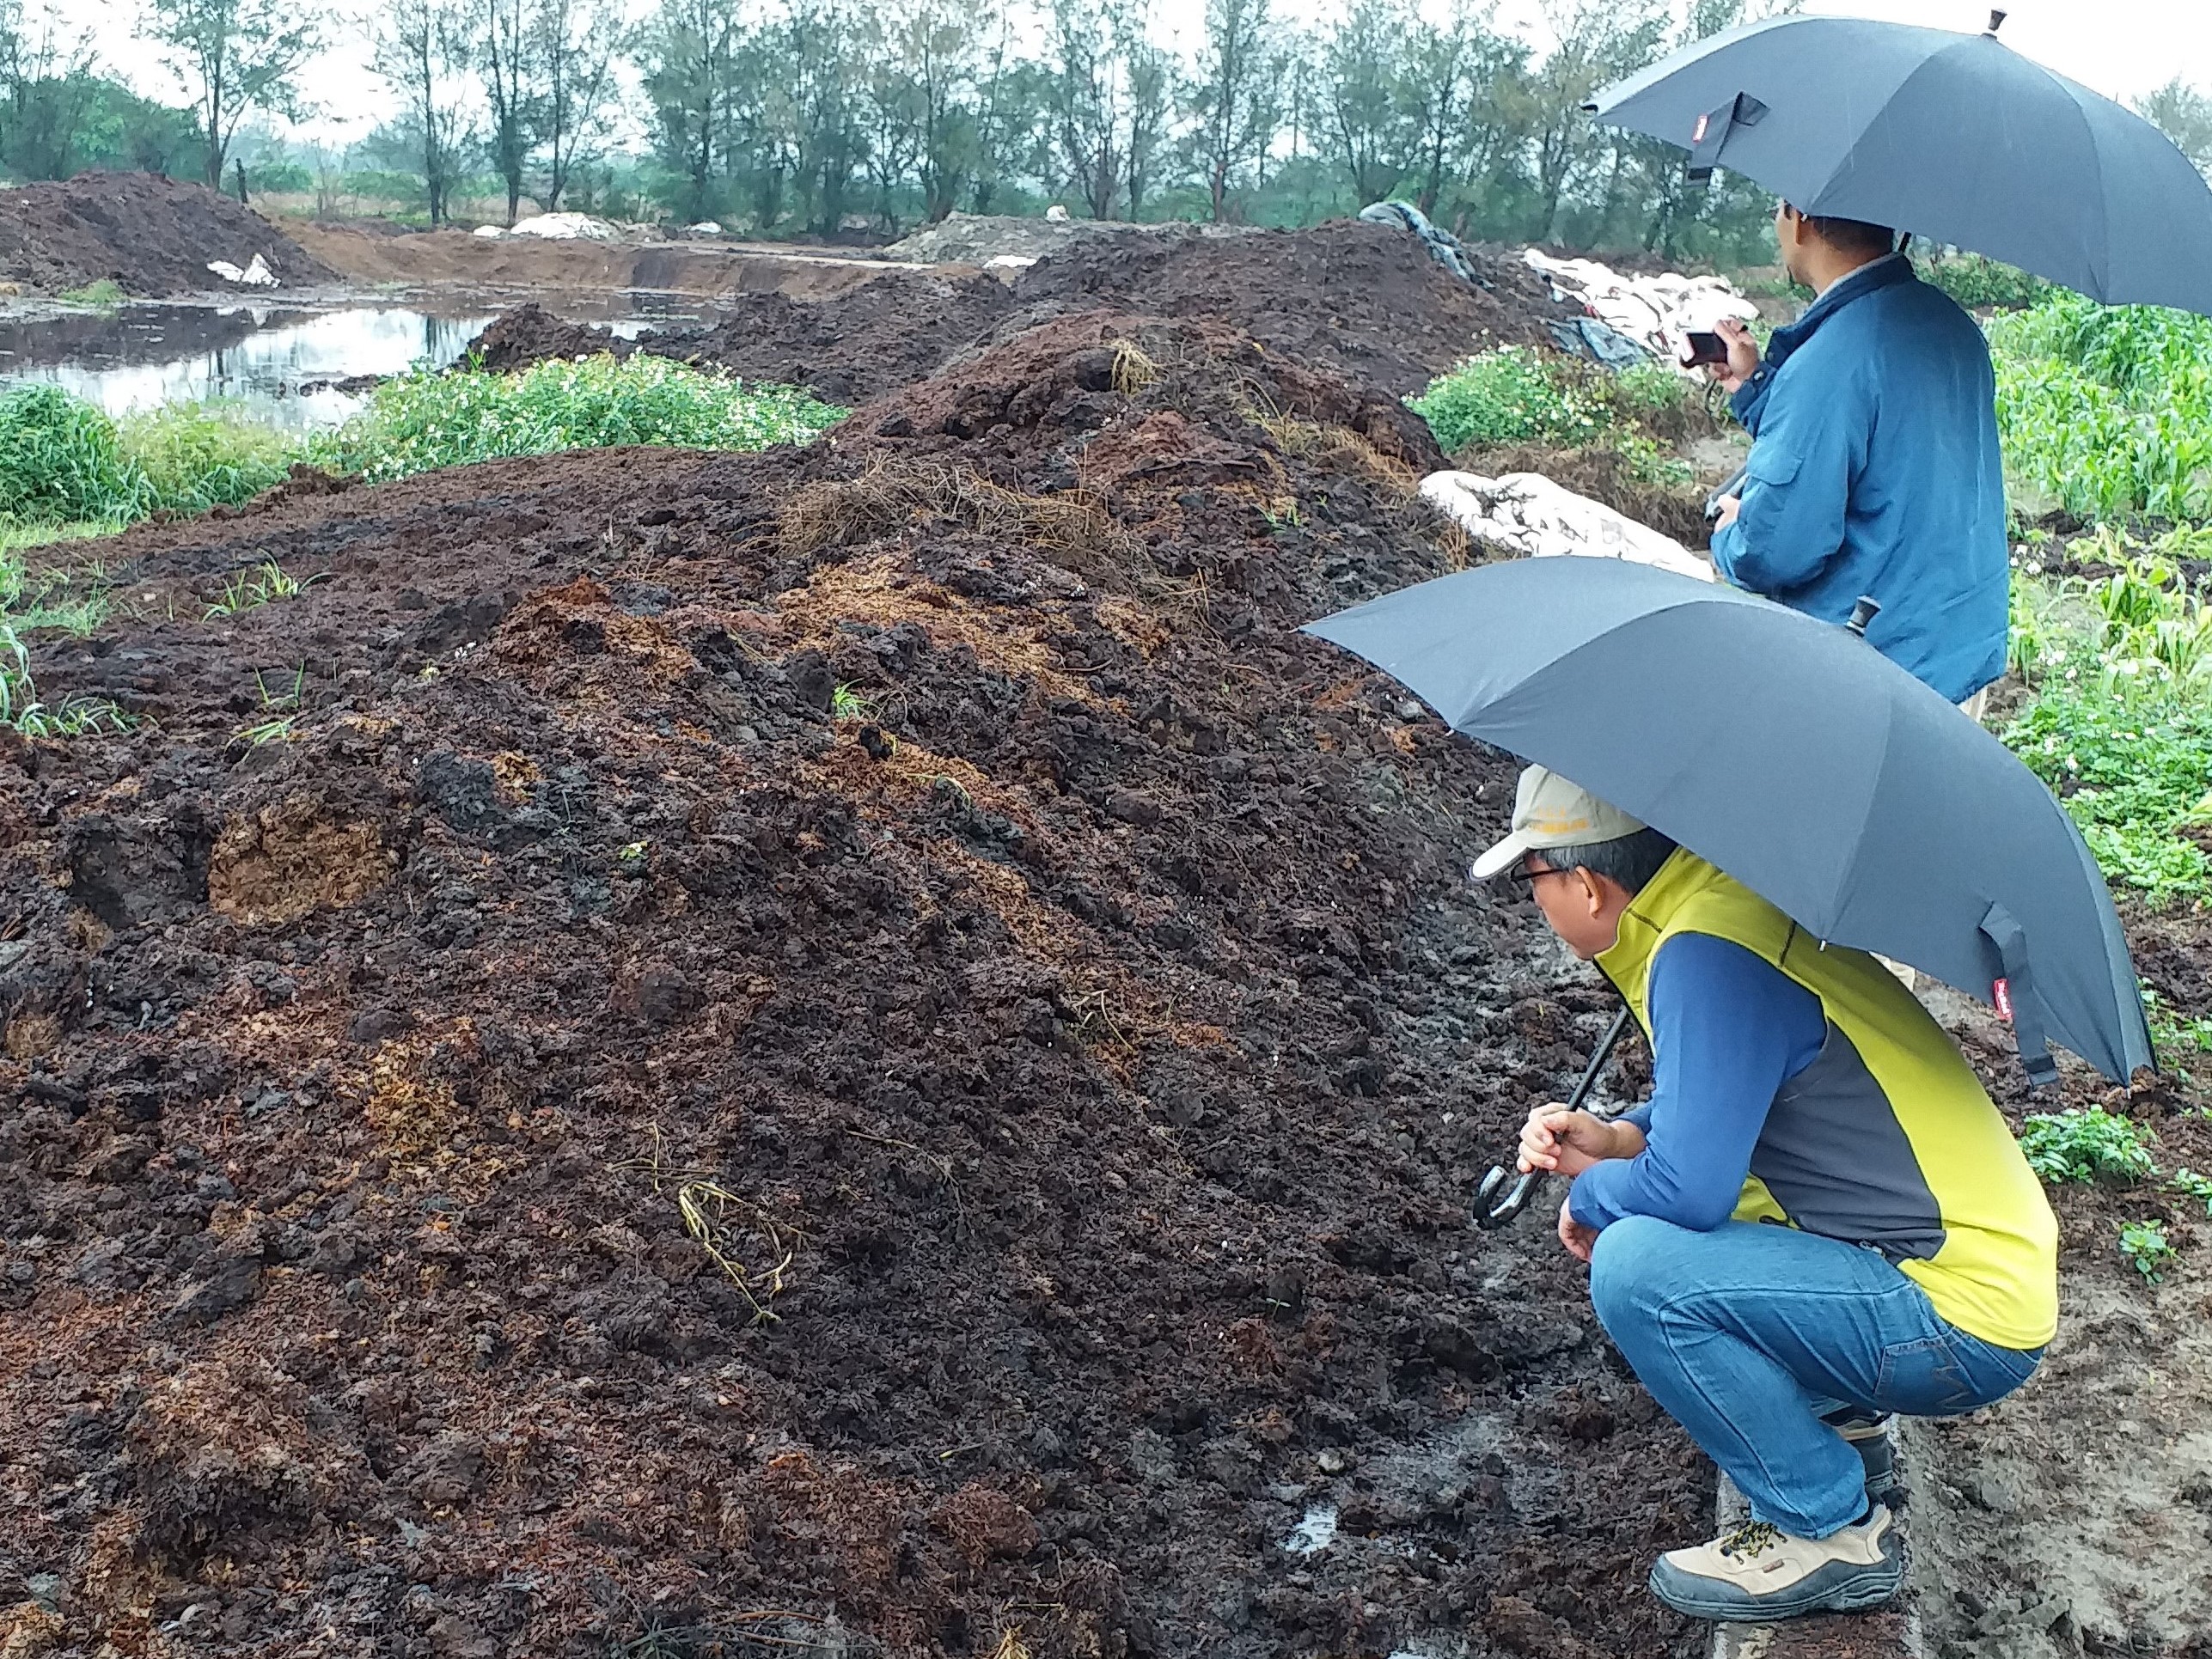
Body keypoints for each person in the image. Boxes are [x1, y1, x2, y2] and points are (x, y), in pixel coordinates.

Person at [1475, 765, 2056, 1623]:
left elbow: (1689, 1188)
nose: (1537, 900)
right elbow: (1722, 1108)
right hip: (1974, 1276)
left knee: (1640, 1268)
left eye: (1535, 879)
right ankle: (1843, 1417)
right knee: (1676, 1238)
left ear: (1589, 884)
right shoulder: (1724, 915)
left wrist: (1597, 1192)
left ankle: (1830, 1528)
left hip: (1956, 1321)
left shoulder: (1706, 956)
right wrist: (1617, 1136)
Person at [1708, 202, 2009, 710]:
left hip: (1880, 671)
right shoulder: (1952, 325)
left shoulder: (1831, 361)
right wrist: (1756, 385)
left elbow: (1780, 549)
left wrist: (1731, 533)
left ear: (1798, 216)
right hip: (1955, 646)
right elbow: (1881, 448)